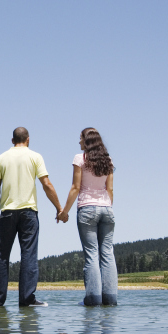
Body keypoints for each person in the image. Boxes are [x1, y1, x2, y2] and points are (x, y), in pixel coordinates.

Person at [0, 127, 63, 307]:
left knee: (1, 255)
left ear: (12, 140)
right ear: (28, 140)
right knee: (28, 255)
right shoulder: (35, 157)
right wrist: (59, 208)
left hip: (7, 212)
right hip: (29, 213)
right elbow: (47, 184)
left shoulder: (0, 158)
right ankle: (27, 299)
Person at [57, 128, 117, 306]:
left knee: (91, 254)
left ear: (87, 141)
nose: (79, 142)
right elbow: (110, 189)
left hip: (87, 209)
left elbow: (75, 188)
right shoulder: (108, 161)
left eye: (80, 139)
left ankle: (93, 299)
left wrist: (64, 212)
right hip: (107, 209)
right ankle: (111, 299)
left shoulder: (79, 159)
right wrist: (107, 205)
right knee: (107, 254)